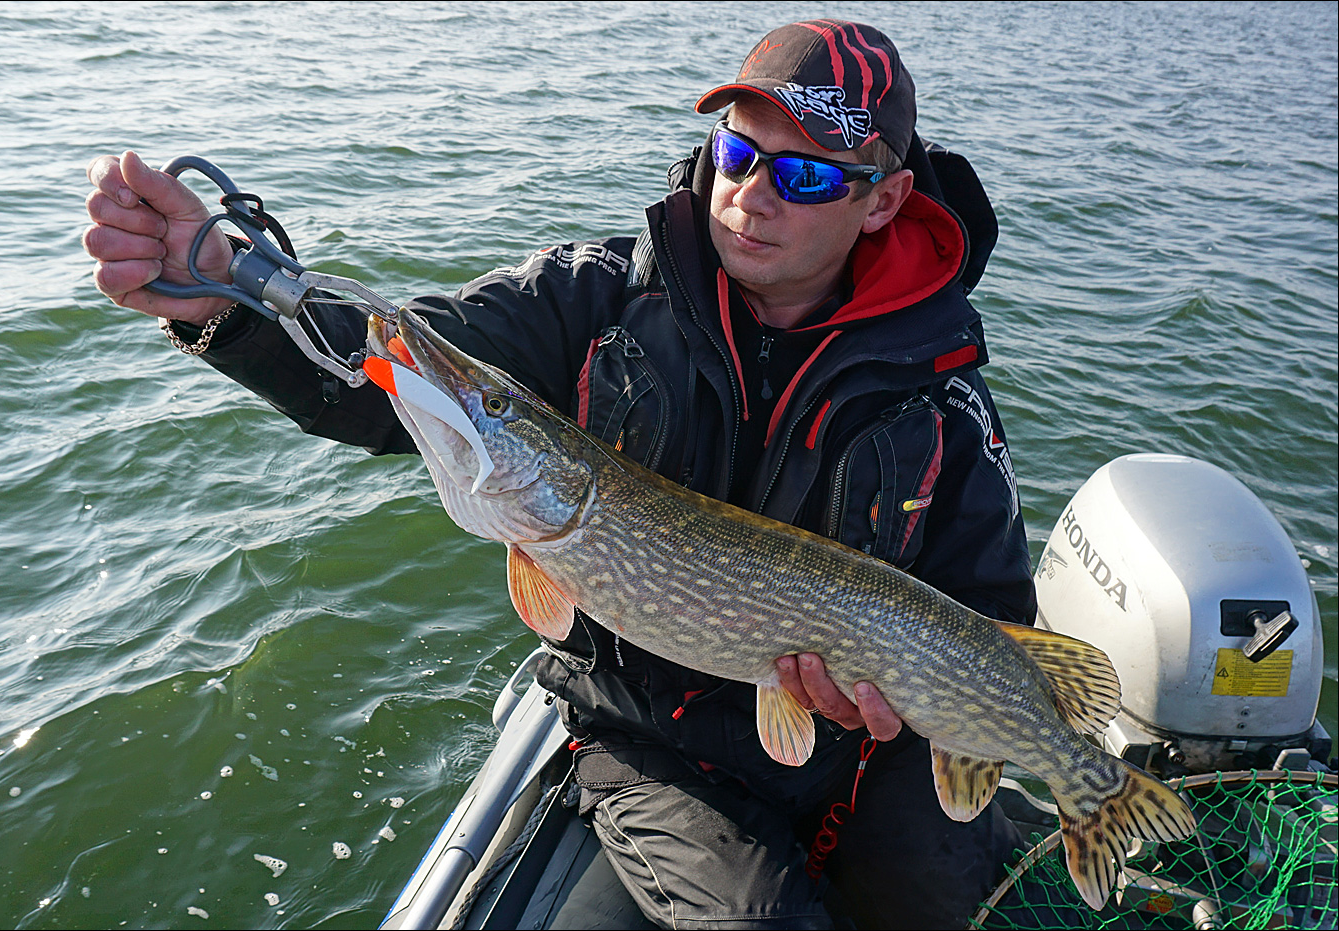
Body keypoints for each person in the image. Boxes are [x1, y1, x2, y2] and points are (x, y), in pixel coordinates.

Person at [84, 20, 1034, 930]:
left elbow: (991, 619)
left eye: (803, 173)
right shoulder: (595, 297)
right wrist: (229, 295)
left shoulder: (940, 397)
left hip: (854, 746)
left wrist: (892, 710)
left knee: (949, 903)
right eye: (739, 155)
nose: (752, 193)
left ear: (884, 199)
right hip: (651, 738)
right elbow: (393, 376)